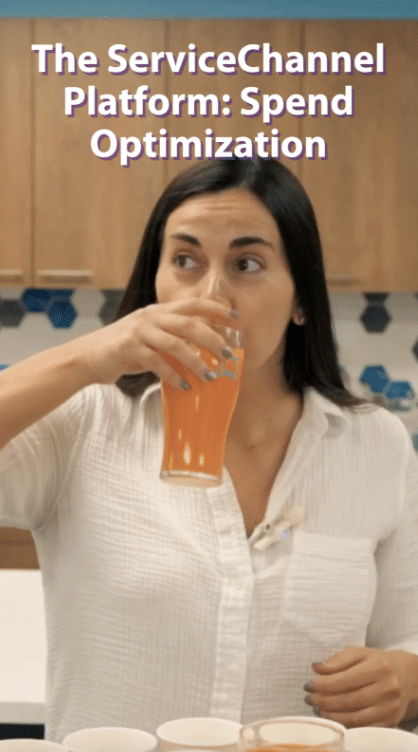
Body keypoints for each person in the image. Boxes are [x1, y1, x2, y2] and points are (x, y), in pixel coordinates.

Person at [0, 157, 418, 743]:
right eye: (185, 261)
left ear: (301, 297)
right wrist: (88, 357)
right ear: (155, 284)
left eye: (247, 264)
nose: (210, 296)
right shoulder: (83, 423)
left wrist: (405, 677)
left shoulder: (376, 444)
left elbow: (409, 633)